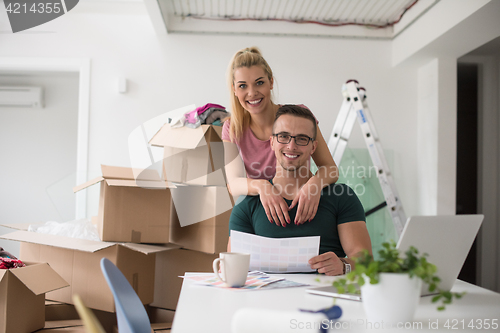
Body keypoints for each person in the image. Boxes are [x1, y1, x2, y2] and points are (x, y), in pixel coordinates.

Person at [227, 105, 372, 276]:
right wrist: (227, 269)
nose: (291, 145)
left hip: (324, 297)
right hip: (266, 300)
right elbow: (232, 267)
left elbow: (365, 262)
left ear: (313, 147)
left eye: (302, 139)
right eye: (283, 136)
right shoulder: (247, 204)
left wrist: (343, 265)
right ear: (272, 142)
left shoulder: (341, 197)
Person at [222, 47, 339, 227]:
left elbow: (330, 169)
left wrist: (313, 185)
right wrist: (263, 187)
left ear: (271, 82)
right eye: (243, 86)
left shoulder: (299, 116)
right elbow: (234, 184)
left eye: (259, 82)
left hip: (302, 207)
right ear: (234, 90)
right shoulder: (232, 128)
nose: (252, 93)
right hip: (263, 213)